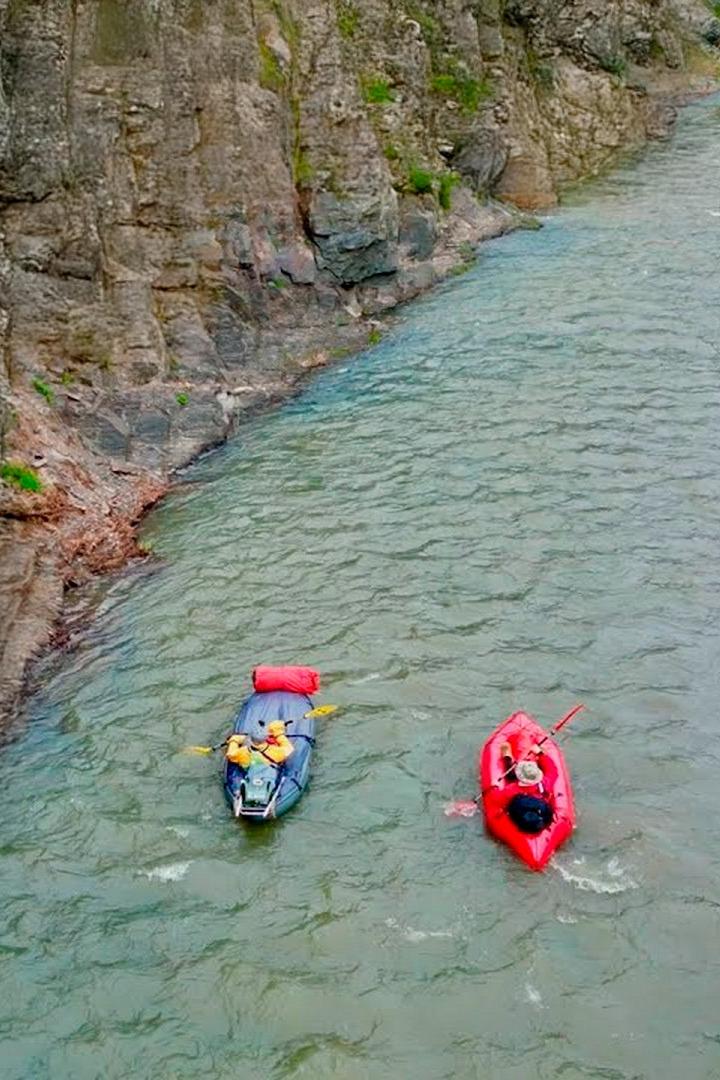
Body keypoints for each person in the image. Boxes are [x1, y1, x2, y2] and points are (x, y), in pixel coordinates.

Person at [226, 720, 295, 768]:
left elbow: (230, 754)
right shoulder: (276, 752)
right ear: (266, 739)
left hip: (251, 770)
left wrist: (234, 739)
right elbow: (289, 748)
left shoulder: (241, 753)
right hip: (269, 769)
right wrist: (278, 733)